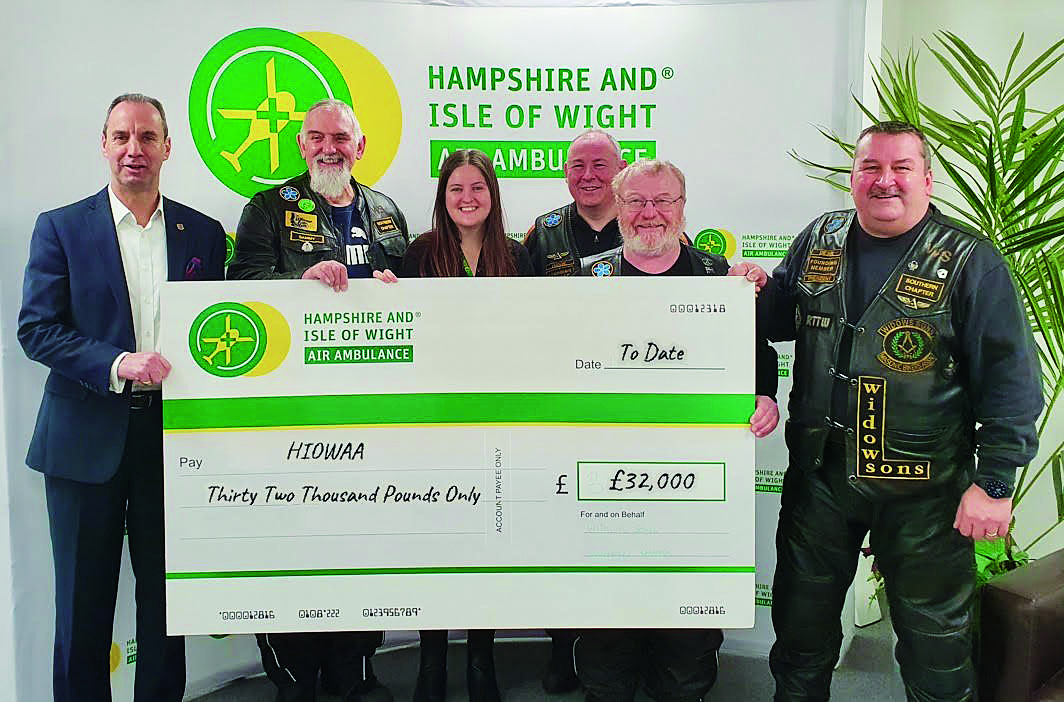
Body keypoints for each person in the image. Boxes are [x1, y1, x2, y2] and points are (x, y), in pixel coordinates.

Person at [761, 121, 1043, 701]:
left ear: (927, 180)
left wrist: (994, 481)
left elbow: (1011, 375)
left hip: (926, 488)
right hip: (820, 476)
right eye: (871, 167)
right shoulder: (820, 236)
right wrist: (741, 289)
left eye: (900, 168)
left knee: (935, 641)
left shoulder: (970, 259)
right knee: (799, 628)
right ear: (854, 177)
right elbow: (770, 322)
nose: (884, 180)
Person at [17, 93, 227, 702]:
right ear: (104, 144)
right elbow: (37, 329)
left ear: (168, 147)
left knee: (166, 609)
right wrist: (117, 363)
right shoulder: (60, 227)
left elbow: (231, 324)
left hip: (173, 445)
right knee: (83, 613)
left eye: (147, 137)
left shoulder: (205, 234)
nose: (134, 149)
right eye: (121, 136)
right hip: (85, 444)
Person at [577, 158, 780, 702]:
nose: (649, 213)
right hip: (605, 480)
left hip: (696, 481)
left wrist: (765, 396)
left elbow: (756, 354)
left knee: (686, 633)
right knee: (607, 624)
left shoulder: (720, 278)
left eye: (663, 201)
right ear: (617, 209)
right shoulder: (585, 280)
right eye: (636, 201)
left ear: (682, 208)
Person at [228, 98, 407, 702]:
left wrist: (394, 291)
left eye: (341, 138)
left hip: (369, 414)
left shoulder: (385, 212)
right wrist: (295, 284)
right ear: (301, 145)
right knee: (294, 541)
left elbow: (411, 301)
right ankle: (295, 676)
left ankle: (355, 667)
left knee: (363, 542)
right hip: (290, 417)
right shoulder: (267, 208)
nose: (329, 147)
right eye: (317, 137)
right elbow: (238, 285)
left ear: (360, 146)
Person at [400, 149, 531, 702]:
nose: (468, 198)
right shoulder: (420, 251)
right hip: (434, 421)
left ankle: (481, 655)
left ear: (493, 195)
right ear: (442, 197)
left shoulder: (519, 256)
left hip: (498, 421)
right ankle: (432, 658)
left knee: (486, 544)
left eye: (478, 187)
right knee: (437, 539)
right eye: (456, 189)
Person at [524, 129, 627, 278]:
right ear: (566, 171)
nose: (588, 176)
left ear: (622, 169)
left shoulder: (643, 227)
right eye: (578, 166)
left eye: (599, 165)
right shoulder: (543, 234)